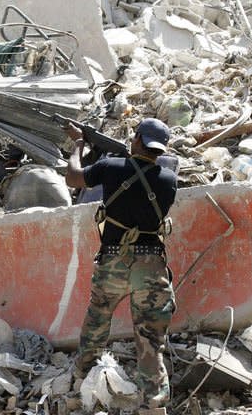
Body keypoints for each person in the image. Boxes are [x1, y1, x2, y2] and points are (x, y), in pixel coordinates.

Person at [64, 118, 177, 409]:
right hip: (151, 267)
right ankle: (154, 401)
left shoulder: (112, 167)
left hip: (114, 260)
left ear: (137, 139)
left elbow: (73, 178)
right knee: (150, 339)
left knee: (97, 322)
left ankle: (80, 379)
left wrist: (78, 144)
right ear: (160, 149)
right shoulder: (168, 180)